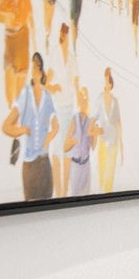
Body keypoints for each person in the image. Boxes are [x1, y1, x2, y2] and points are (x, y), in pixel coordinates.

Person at [2, 51, 57, 200]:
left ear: (41, 71)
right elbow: (6, 126)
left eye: (36, 66)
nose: (34, 70)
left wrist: (48, 139)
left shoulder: (47, 97)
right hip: (30, 165)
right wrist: (21, 130)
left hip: (45, 163)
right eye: (32, 66)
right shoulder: (25, 95)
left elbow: (55, 126)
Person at [0, 0, 33, 163]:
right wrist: (6, 17)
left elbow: (29, 18)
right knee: (9, 90)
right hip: (9, 38)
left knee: (18, 91)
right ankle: (14, 129)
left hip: (22, 38)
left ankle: (15, 138)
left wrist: (36, 43)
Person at [48, 22, 78, 197]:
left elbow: (76, 80)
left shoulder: (72, 58)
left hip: (68, 107)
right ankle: (58, 191)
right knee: (56, 152)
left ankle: (64, 193)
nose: (65, 38)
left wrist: (80, 103)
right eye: (64, 35)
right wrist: (53, 88)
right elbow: (48, 79)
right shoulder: (54, 54)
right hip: (57, 107)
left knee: (66, 152)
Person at [65, 84, 98, 197]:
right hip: (75, 166)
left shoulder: (91, 121)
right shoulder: (74, 119)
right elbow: (65, 147)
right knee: (75, 197)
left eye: (86, 99)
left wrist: (95, 134)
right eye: (82, 99)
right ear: (79, 102)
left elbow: (93, 147)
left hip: (86, 165)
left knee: (86, 197)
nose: (84, 102)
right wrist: (72, 142)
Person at [95, 67, 123, 193]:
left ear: (111, 84)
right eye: (104, 81)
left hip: (113, 141)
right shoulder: (100, 98)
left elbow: (118, 123)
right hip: (102, 140)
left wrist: (122, 145)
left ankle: (107, 193)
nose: (105, 84)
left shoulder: (115, 101)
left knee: (110, 172)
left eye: (107, 82)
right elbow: (93, 117)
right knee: (102, 170)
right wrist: (94, 133)